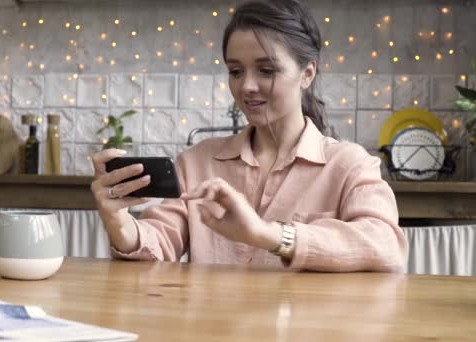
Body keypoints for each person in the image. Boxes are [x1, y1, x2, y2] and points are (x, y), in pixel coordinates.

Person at [90, 0, 408, 272]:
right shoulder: (197, 161)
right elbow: (157, 245)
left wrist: (269, 235)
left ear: (307, 74)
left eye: (266, 70)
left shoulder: (349, 165)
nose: (246, 87)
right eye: (236, 71)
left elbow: (385, 245)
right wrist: (118, 220)